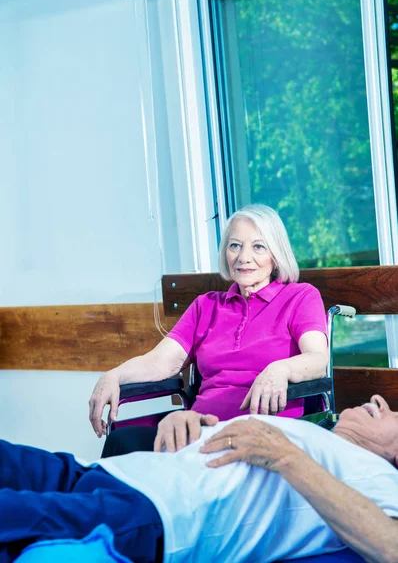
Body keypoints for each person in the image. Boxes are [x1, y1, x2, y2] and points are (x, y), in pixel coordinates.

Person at [1, 395, 398, 563]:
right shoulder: (318, 430)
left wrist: (284, 456)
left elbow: (391, 547)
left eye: (394, 413)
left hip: (154, 516)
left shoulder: (376, 472)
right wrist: (184, 420)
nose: (379, 402)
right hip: (112, 472)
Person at [89, 204, 329, 455]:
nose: (244, 257)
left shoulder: (300, 297)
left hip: (261, 437)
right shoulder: (207, 305)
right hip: (200, 432)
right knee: (123, 442)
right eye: (235, 245)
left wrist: (280, 368)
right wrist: (113, 376)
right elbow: (160, 362)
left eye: (258, 246)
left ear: (276, 254)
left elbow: (317, 359)